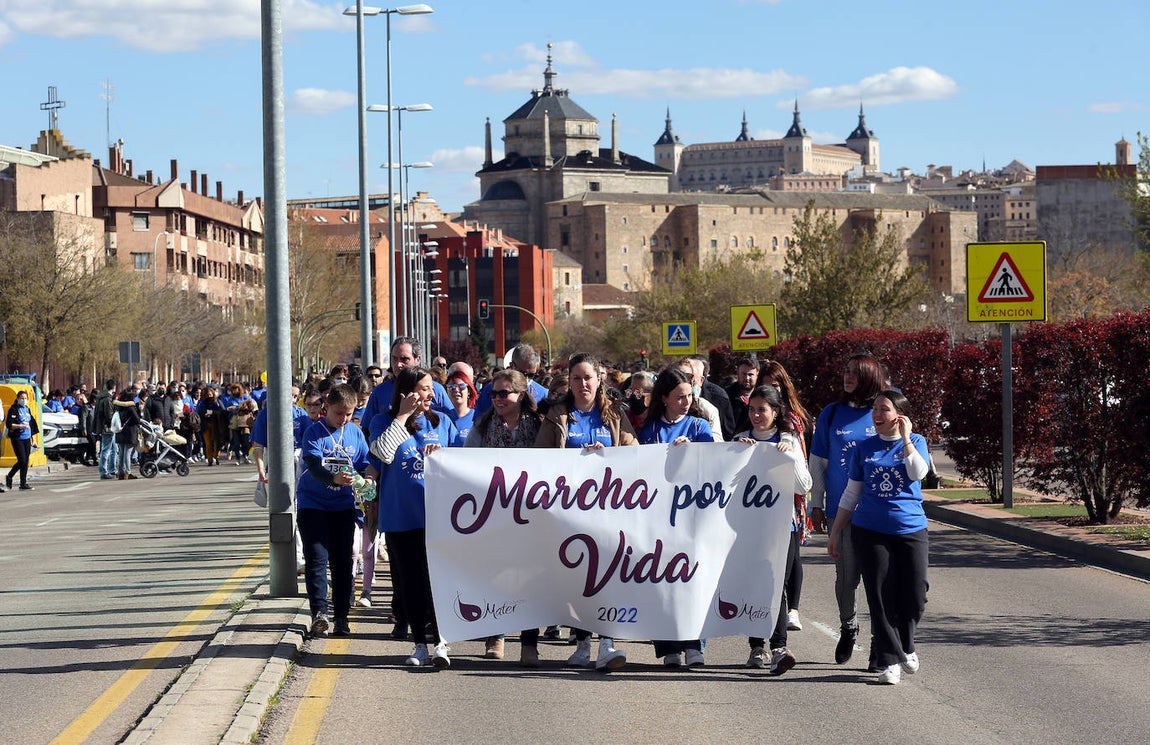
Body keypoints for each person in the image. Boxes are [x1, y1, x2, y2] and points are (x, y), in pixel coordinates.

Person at [535, 352, 638, 671]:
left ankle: (607, 642)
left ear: (600, 379)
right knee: (579, 579)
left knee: (606, 577)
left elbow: (634, 451)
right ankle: (582, 643)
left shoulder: (615, 413)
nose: (582, 384)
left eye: (587, 377)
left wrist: (608, 456)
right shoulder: (558, 415)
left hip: (609, 510)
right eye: (576, 378)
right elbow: (540, 459)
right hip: (570, 513)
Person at [827, 389, 930, 685]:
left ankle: (906, 646)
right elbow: (851, 493)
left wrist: (907, 438)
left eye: (883, 409)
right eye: (874, 409)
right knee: (881, 596)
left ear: (899, 415)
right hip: (870, 530)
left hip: (910, 529)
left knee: (916, 594)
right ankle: (889, 661)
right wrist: (835, 532)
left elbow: (918, 473)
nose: (876, 415)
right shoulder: (864, 447)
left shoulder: (918, 442)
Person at [369, 366, 463, 667]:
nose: (431, 394)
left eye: (431, 388)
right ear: (407, 392)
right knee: (409, 583)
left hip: (437, 518)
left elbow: (464, 465)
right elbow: (382, 453)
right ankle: (419, 644)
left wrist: (442, 456)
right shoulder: (383, 421)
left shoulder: (442, 422)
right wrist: (401, 416)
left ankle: (440, 641)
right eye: (424, 388)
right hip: (400, 516)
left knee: (435, 581)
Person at [808, 353, 886, 666]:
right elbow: (818, 462)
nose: (848, 377)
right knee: (846, 579)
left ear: (869, 377)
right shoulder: (832, 413)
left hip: (879, 513)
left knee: (877, 581)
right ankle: (848, 626)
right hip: (841, 510)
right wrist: (816, 501)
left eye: (855, 373)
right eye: (845, 371)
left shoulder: (881, 411)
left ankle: (878, 644)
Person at [464, 368, 544, 665]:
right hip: (495, 516)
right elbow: (466, 464)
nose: (497, 398)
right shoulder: (483, 427)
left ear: (521, 395)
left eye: (504, 393)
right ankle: (495, 634)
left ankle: (529, 642)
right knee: (496, 577)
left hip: (533, 515)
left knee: (530, 580)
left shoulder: (539, 426)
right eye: (493, 393)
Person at [637, 367, 714, 668]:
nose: (685, 401)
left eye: (689, 396)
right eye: (679, 397)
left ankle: (695, 644)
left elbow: (713, 462)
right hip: (659, 514)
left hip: (693, 514)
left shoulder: (698, 426)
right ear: (665, 399)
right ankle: (668, 646)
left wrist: (692, 451)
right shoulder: (650, 429)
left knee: (692, 579)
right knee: (663, 581)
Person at [734, 384, 812, 675]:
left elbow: (805, 486)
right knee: (753, 585)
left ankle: (779, 648)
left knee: (776, 586)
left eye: (762, 410)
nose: (756, 415)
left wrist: (789, 457)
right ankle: (756, 646)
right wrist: (736, 455)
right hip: (747, 528)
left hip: (783, 527)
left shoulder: (788, 441)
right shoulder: (740, 440)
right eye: (752, 409)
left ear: (776, 411)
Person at [297, 384, 372, 639]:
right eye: (339, 413)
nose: (344, 419)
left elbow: (363, 465)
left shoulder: (355, 433)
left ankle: (341, 617)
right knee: (317, 560)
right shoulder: (314, 432)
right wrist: (334, 479)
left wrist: (366, 482)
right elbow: (315, 466)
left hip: (342, 508)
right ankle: (319, 613)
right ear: (327, 407)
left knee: (342, 562)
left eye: (349, 414)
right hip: (313, 505)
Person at [759, 359, 813, 632]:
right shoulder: (752, 421)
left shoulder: (793, 422)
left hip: (790, 499)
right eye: (767, 384)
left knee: (792, 558)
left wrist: (789, 457)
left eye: (776, 384)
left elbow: (803, 469)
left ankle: (793, 609)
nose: (772, 387)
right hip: (758, 507)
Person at [360, 336, 452, 429]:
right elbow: (367, 429)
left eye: (404, 359)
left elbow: (451, 422)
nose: (398, 364)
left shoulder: (436, 390)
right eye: (394, 359)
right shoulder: (380, 392)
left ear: (418, 359)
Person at [474, 343, 548, 416]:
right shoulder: (491, 390)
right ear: (512, 366)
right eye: (522, 373)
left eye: (531, 375)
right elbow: (478, 424)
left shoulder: (543, 394)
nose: (526, 379)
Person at [4, 390, 39, 490]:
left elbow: (31, 425)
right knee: (22, 460)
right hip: (17, 438)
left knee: (26, 461)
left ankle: (23, 483)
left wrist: (33, 439)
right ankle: (10, 476)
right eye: (22, 398)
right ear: (18, 399)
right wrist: (20, 426)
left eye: (25, 398)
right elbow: (9, 424)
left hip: (27, 438)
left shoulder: (27, 409)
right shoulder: (14, 409)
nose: (24, 400)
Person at [112, 389, 142, 480]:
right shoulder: (131, 408)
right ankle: (127, 472)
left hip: (120, 431)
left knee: (121, 453)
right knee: (127, 453)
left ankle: (120, 472)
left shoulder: (118, 407)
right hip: (130, 432)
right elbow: (137, 419)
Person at [92, 379, 119, 480]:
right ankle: (104, 471)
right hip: (108, 427)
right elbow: (109, 415)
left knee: (114, 449)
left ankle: (112, 470)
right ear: (114, 387)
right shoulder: (107, 399)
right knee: (106, 450)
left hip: (104, 427)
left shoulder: (100, 397)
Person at [726, 355, 759, 434]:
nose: (747, 378)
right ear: (737, 373)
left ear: (757, 374)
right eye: (744, 374)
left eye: (750, 374)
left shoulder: (763, 396)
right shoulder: (727, 396)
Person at [444, 367, 479, 443]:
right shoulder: (440, 418)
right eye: (451, 387)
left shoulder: (478, 418)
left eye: (461, 386)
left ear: (469, 390)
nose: (456, 390)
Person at [197, 386, 229, 466]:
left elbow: (223, 411)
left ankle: (216, 456)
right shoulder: (202, 403)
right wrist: (204, 414)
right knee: (208, 443)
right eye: (207, 395)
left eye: (210, 394)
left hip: (216, 424)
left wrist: (213, 413)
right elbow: (198, 412)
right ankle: (210, 459)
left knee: (217, 442)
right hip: (205, 424)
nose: (209, 396)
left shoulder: (217, 401)